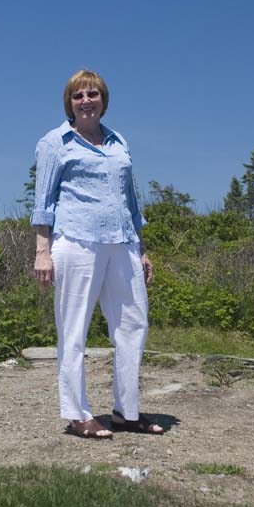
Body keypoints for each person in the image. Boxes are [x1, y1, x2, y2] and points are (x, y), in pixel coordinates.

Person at [31, 69, 164, 438]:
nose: (86, 101)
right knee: (74, 329)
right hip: (76, 241)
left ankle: (127, 412)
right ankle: (77, 415)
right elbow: (43, 202)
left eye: (93, 94)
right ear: (69, 103)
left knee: (133, 325)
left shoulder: (118, 142)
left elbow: (130, 201)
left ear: (103, 100)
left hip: (123, 243)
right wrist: (42, 251)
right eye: (78, 96)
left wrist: (142, 248)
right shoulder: (55, 143)